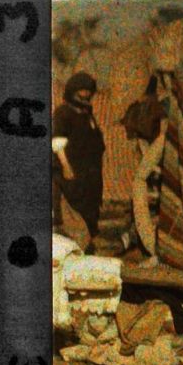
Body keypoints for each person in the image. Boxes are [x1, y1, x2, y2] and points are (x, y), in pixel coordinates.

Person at [53, 72, 106, 250]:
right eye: (81, 93)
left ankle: (90, 243)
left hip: (89, 172)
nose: (85, 96)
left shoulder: (87, 113)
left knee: (90, 206)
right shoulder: (63, 113)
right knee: (75, 208)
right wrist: (66, 166)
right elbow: (57, 142)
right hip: (72, 171)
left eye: (88, 92)